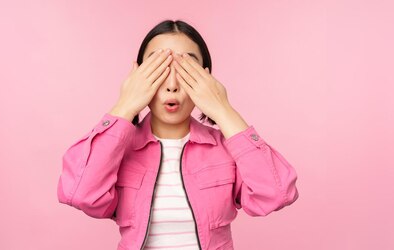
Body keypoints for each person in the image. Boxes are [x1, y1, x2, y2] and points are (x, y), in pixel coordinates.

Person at [57, 19, 299, 250]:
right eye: (158, 68)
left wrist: (223, 109)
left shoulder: (225, 149)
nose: (172, 84)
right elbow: (79, 194)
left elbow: (276, 194)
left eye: (185, 70)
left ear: (205, 79)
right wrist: (125, 104)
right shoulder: (118, 150)